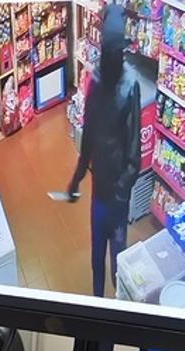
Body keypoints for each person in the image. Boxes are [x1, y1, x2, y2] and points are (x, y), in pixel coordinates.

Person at [68, 3, 143, 298]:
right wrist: (76, 179)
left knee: (118, 260)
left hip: (117, 197)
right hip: (99, 192)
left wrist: (120, 194)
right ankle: (99, 306)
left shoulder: (130, 88)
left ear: (122, 52)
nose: (111, 56)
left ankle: (118, 308)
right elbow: (88, 136)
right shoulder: (95, 83)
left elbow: (134, 157)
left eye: (116, 51)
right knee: (97, 258)